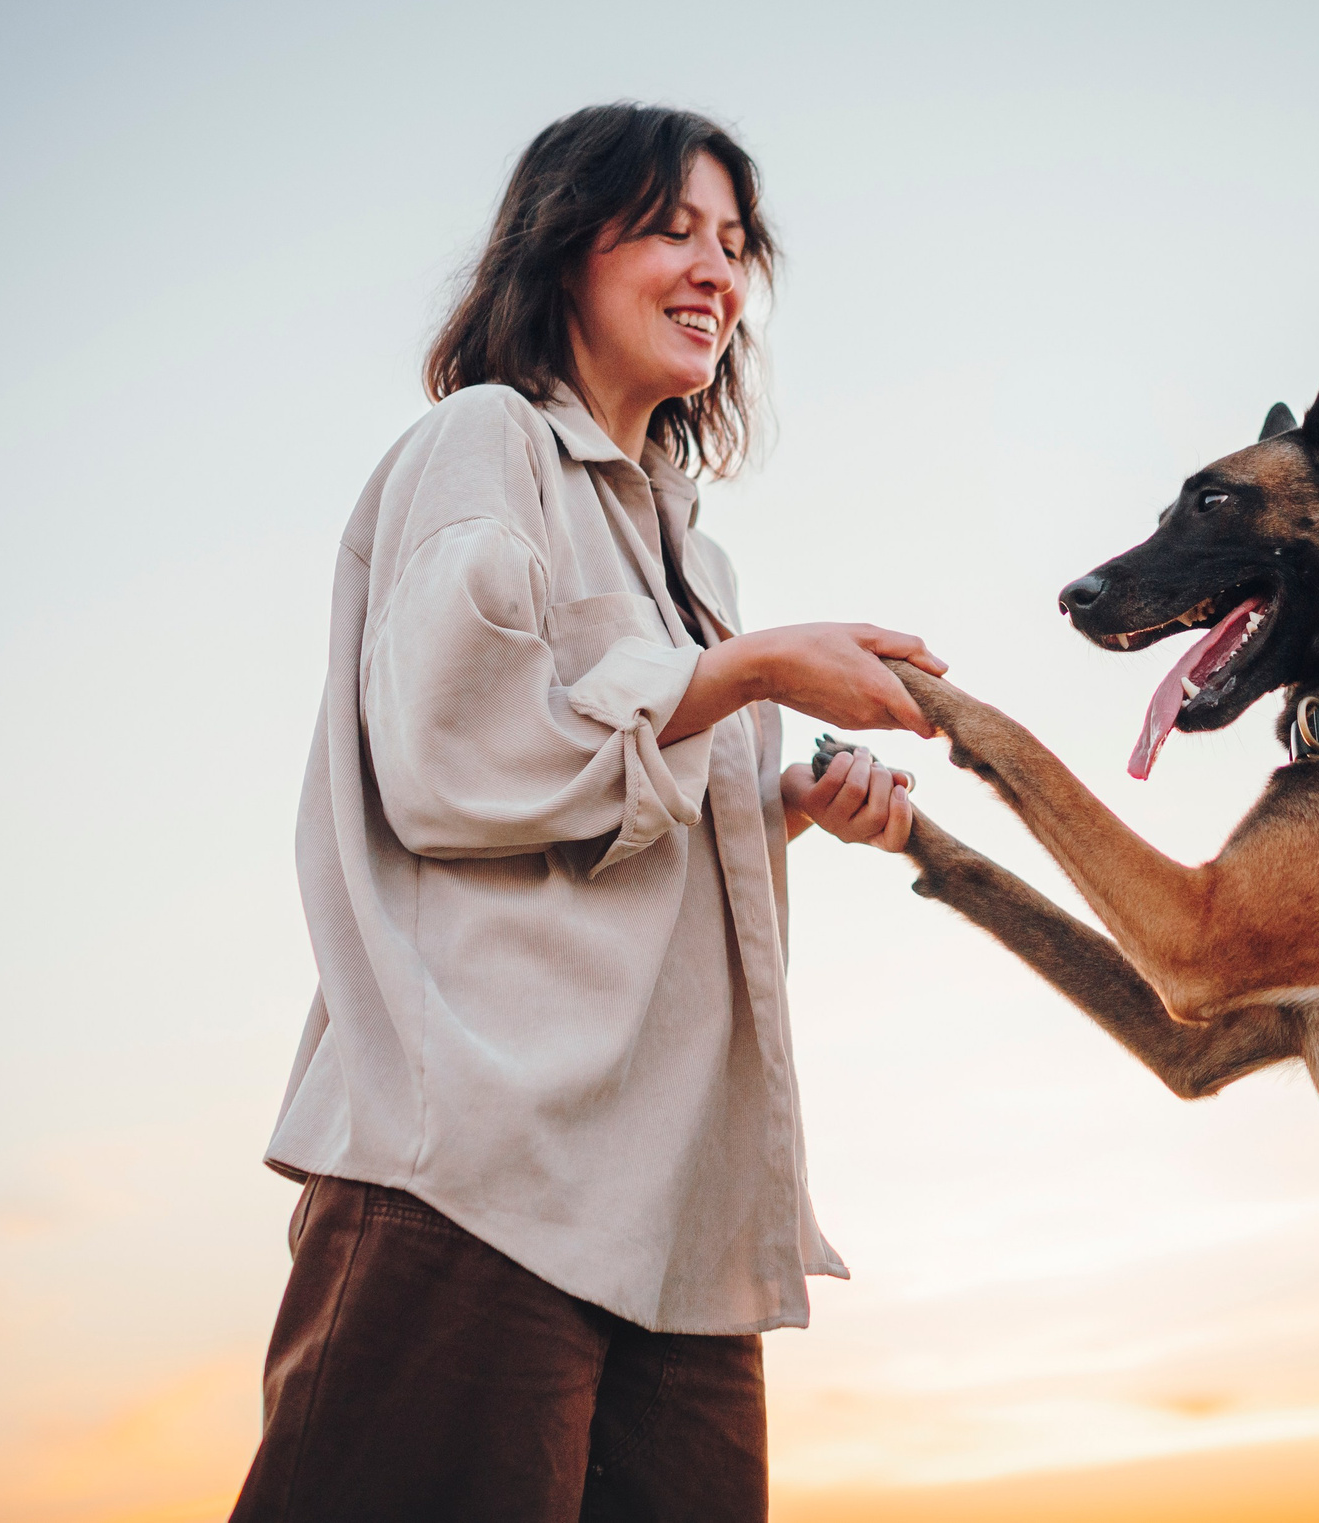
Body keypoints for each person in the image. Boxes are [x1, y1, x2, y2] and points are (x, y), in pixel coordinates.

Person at [229, 103, 942, 1522]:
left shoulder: (697, 565)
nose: (715, 271)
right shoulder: (483, 445)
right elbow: (454, 759)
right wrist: (750, 672)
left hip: (680, 1232)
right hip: (475, 1180)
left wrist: (785, 804)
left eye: (734, 243)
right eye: (672, 229)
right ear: (564, 248)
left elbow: (618, 819)